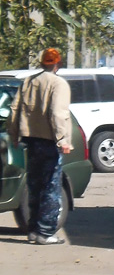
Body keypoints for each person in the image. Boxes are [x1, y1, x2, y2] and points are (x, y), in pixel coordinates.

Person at [7, 48, 73, 245]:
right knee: (51, 187)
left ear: (42, 62)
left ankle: (34, 230)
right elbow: (57, 113)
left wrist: (14, 134)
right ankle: (45, 232)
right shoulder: (58, 84)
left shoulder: (29, 81)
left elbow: (14, 108)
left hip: (31, 141)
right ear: (57, 64)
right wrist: (63, 140)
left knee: (34, 185)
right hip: (50, 141)